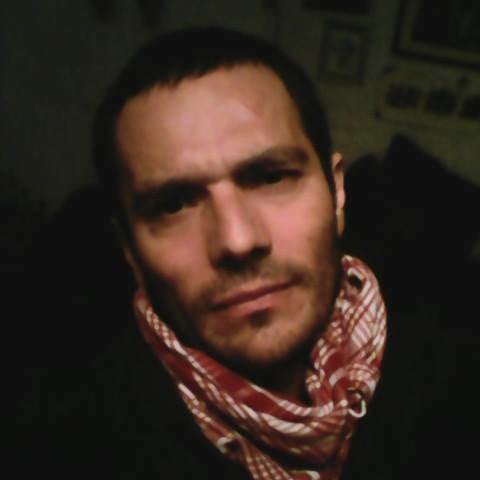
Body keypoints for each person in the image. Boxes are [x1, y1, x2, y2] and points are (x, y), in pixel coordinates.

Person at [18, 27, 389, 479]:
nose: (237, 240)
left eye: (271, 177)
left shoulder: (452, 368)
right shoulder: (66, 444)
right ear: (129, 249)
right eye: (174, 205)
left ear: (338, 193)